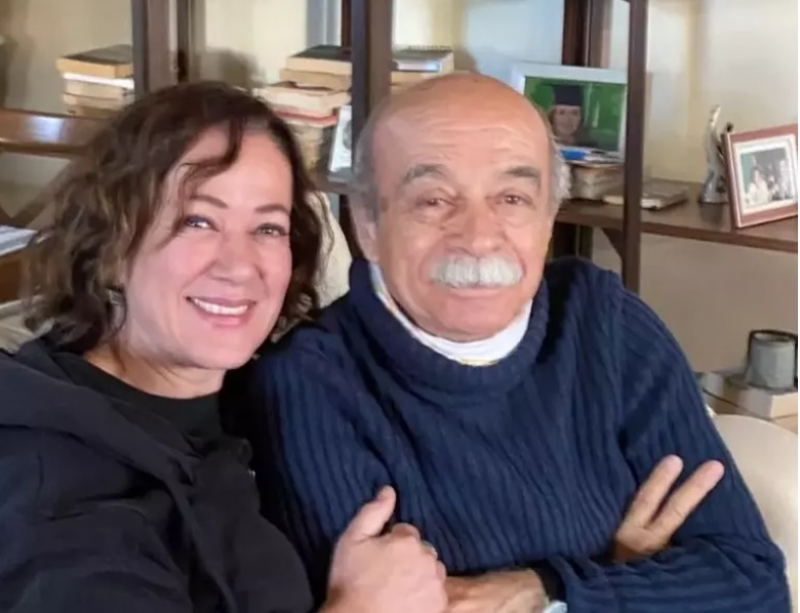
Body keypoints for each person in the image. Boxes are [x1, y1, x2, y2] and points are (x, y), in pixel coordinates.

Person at [246, 74, 791, 612]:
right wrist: (629, 575)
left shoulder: (604, 322)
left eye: (512, 198)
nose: (479, 237)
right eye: (433, 200)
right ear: (367, 223)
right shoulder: (309, 385)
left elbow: (756, 587)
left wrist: (544, 589)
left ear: (549, 218)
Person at [0, 82, 448, 613]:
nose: (239, 266)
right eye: (197, 221)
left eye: (267, 228)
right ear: (113, 247)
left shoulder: (263, 394)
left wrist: (526, 583)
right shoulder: (56, 486)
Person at [547, 83, 596, 148]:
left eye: (574, 113)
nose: (567, 119)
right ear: (552, 116)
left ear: (581, 117)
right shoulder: (541, 144)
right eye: (562, 112)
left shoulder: (590, 148)